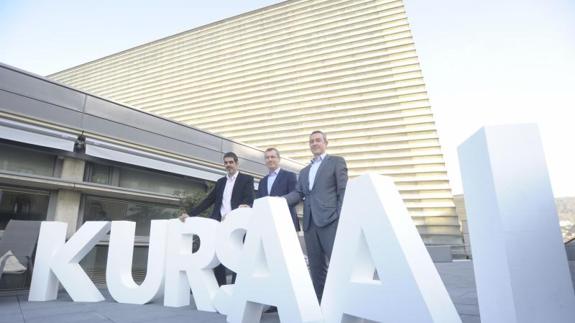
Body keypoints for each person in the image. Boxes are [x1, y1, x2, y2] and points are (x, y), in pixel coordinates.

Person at [284, 130, 348, 302]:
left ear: (326, 143)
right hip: (310, 223)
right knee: (316, 267)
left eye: (318, 140)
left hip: (330, 220)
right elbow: (298, 193)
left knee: (338, 264)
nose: (314, 143)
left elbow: (343, 190)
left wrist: (340, 216)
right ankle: (321, 304)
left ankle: (345, 303)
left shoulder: (336, 162)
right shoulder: (304, 171)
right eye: (311, 141)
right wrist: (279, 200)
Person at [179, 151, 254, 286]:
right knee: (218, 255)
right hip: (219, 224)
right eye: (226, 163)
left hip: (237, 224)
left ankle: (238, 287)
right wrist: (190, 214)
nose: (228, 165)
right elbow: (208, 200)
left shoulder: (246, 179)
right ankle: (221, 286)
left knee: (239, 255)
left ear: (237, 163)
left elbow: (248, 200)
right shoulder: (220, 182)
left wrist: (233, 214)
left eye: (231, 162)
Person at [257, 147, 300, 232]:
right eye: (267, 157)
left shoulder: (290, 176)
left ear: (279, 159)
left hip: (286, 222)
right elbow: (260, 201)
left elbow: (296, 197)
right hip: (267, 223)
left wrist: (280, 201)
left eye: (272, 157)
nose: (270, 159)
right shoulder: (262, 181)